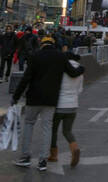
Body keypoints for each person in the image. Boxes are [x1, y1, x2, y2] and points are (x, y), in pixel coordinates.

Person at [12, 35, 71, 171]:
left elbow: (26, 78)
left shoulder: (35, 56)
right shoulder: (60, 57)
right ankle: (43, 160)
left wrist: (16, 96)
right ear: (53, 44)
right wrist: (80, 68)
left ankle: (25, 157)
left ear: (42, 44)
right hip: (51, 99)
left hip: (33, 97)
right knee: (47, 128)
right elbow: (72, 72)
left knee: (29, 124)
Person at [50, 43, 87, 166]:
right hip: (73, 105)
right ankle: (74, 148)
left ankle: (53, 155)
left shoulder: (61, 68)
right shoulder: (80, 70)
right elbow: (80, 90)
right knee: (67, 131)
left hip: (59, 105)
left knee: (53, 130)